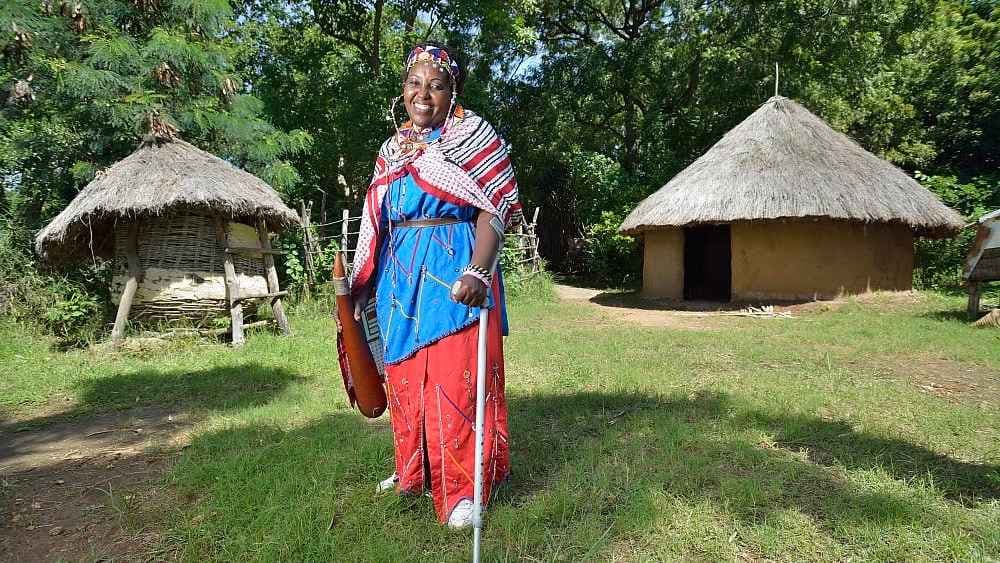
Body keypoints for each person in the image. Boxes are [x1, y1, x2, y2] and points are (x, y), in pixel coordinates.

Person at [345, 42, 522, 528]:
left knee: (454, 381)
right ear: (403, 90)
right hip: (398, 281)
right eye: (414, 84)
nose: (423, 94)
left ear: (452, 92)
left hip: (454, 273)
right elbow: (375, 220)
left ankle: (465, 489)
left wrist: (479, 270)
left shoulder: (473, 136)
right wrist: (362, 284)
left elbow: (495, 207)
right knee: (405, 381)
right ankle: (412, 470)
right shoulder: (391, 149)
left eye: (436, 86)